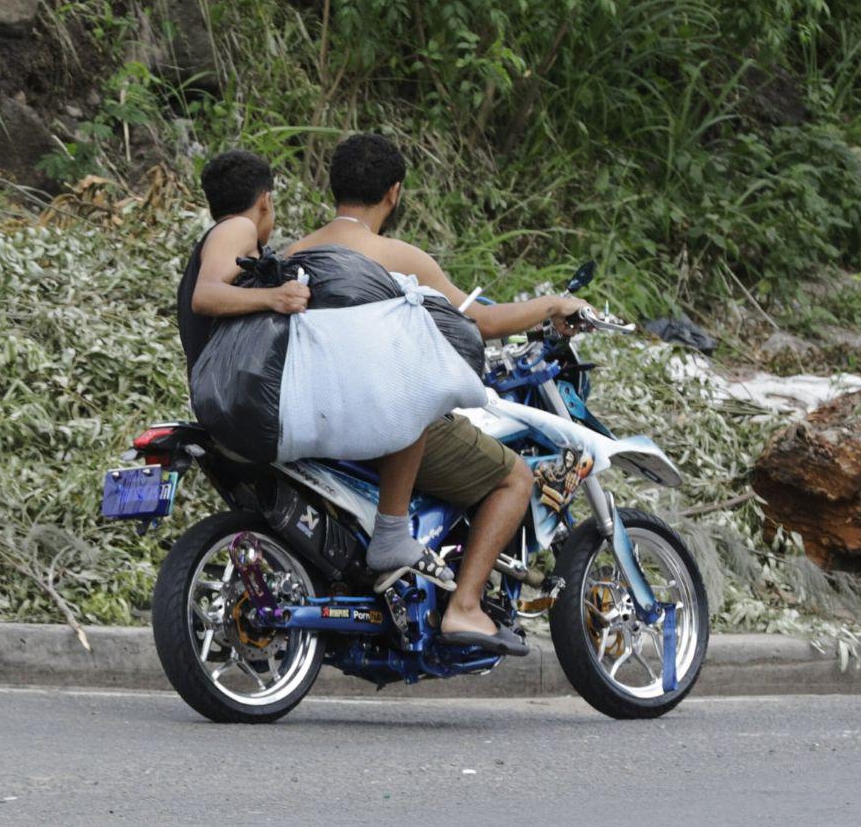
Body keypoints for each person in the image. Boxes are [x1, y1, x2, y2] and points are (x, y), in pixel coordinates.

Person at [286, 133, 594, 655]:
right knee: (514, 479)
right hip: (378, 423)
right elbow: (481, 321)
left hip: (309, 418)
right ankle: (467, 606)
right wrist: (552, 305)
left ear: (332, 187)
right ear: (394, 193)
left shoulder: (293, 253)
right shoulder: (397, 256)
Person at [177, 149, 454, 589]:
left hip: (220, 400)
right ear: (265, 200)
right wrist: (274, 298)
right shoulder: (238, 227)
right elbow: (207, 294)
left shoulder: (226, 235)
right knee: (408, 401)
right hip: (245, 399)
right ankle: (392, 533)